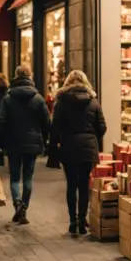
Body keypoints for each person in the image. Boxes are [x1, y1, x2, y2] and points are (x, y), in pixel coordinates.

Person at [49, 69, 107, 235]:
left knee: (71, 184)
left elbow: (55, 128)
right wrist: (92, 139)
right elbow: (102, 126)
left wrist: (55, 146)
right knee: (83, 185)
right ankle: (83, 222)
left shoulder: (61, 102)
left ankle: (72, 222)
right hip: (87, 148)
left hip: (68, 147)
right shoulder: (93, 101)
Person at [0, 65, 50, 225]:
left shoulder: (8, 98)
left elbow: (0, 121)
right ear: (30, 76)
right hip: (32, 143)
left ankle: (17, 203)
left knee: (14, 177)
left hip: (13, 142)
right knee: (28, 176)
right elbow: (46, 122)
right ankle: (24, 207)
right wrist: (45, 139)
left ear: (15, 76)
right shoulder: (38, 98)